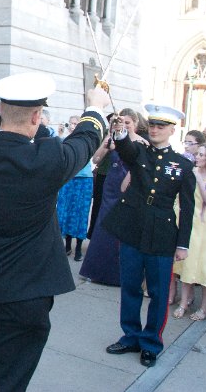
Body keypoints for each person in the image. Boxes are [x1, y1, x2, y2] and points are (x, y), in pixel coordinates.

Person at [0, 72, 109, 391]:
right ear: (37, 116)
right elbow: (86, 138)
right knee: (7, 378)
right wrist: (95, 106)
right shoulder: (50, 157)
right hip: (27, 291)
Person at [103, 104, 195, 368]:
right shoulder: (138, 151)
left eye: (161, 126)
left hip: (162, 234)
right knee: (130, 286)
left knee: (157, 292)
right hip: (133, 228)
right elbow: (125, 148)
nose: (155, 130)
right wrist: (119, 130)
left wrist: (183, 244)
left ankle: (151, 342)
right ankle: (130, 336)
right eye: (152, 125)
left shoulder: (183, 165)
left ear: (172, 130)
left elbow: (188, 208)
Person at [79, 108, 145, 286]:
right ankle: (97, 271)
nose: (123, 125)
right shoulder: (113, 139)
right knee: (104, 226)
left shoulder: (141, 143)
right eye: (120, 122)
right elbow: (96, 160)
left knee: (122, 229)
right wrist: (106, 144)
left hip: (128, 185)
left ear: (136, 124)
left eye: (128, 123)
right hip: (111, 184)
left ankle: (120, 275)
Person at [172, 144, 206, 321]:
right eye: (197, 154)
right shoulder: (191, 171)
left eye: (201, 155)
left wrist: (200, 181)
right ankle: (184, 302)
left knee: (205, 266)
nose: (197, 157)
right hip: (191, 223)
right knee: (188, 263)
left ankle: (204, 307)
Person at [56, 114, 92, 261]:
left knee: (80, 213)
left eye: (76, 123)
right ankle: (67, 246)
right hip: (68, 178)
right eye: (70, 123)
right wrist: (59, 135)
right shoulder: (65, 139)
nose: (72, 126)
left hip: (84, 180)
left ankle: (78, 248)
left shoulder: (86, 140)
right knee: (66, 211)